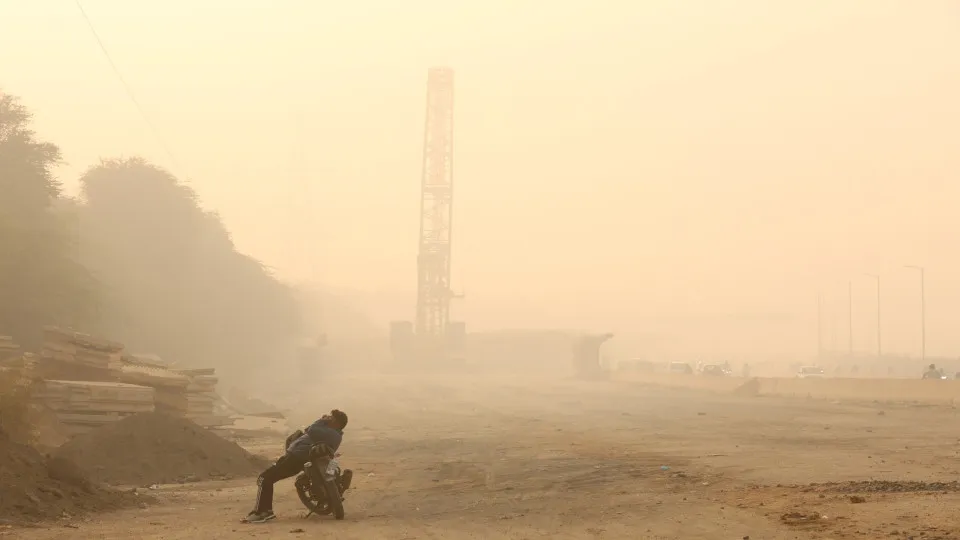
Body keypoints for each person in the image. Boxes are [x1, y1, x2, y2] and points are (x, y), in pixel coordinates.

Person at [245, 409, 348, 523]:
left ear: (337, 423)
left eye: (331, 417)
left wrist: (321, 420)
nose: (328, 418)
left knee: (264, 478)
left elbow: (311, 429)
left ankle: (262, 512)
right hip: (294, 458)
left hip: (295, 459)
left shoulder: (332, 433)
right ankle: (264, 510)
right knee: (268, 478)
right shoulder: (329, 433)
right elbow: (309, 431)